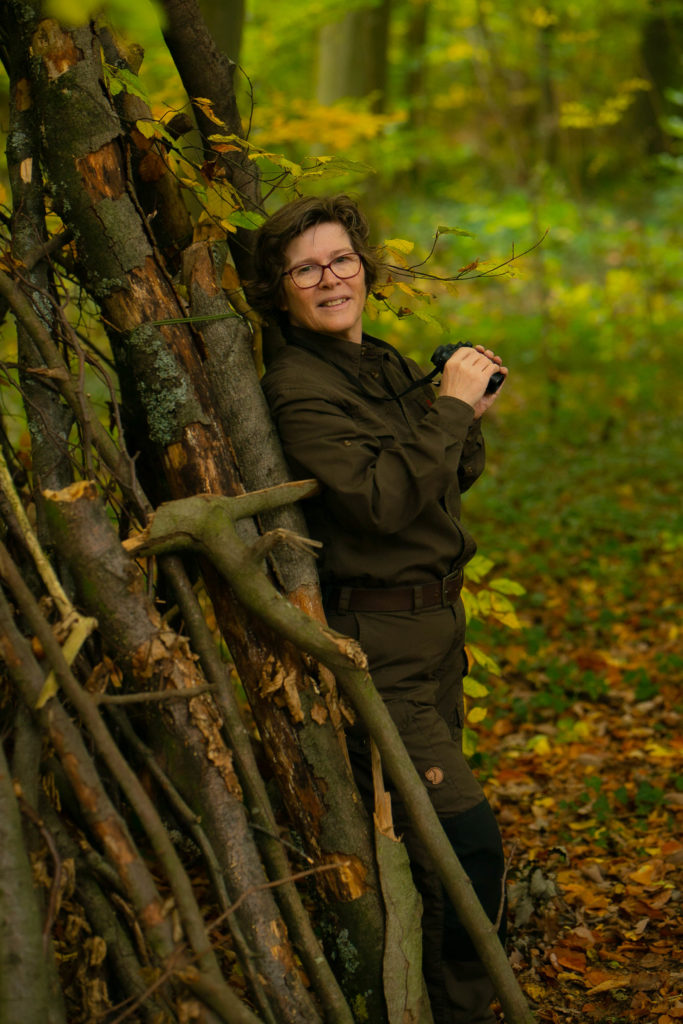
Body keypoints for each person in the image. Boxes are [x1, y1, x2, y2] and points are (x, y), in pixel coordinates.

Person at [253, 194, 508, 1024]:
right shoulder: (296, 388)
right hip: (382, 643)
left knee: (433, 853)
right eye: (306, 269)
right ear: (279, 289)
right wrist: (446, 409)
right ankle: (466, 1009)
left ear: (364, 264)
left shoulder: (382, 361)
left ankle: (435, 1001)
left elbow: (442, 483)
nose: (330, 278)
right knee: (465, 842)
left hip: (439, 627)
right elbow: (374, 503)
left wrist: (467, 416)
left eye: (340, 260)